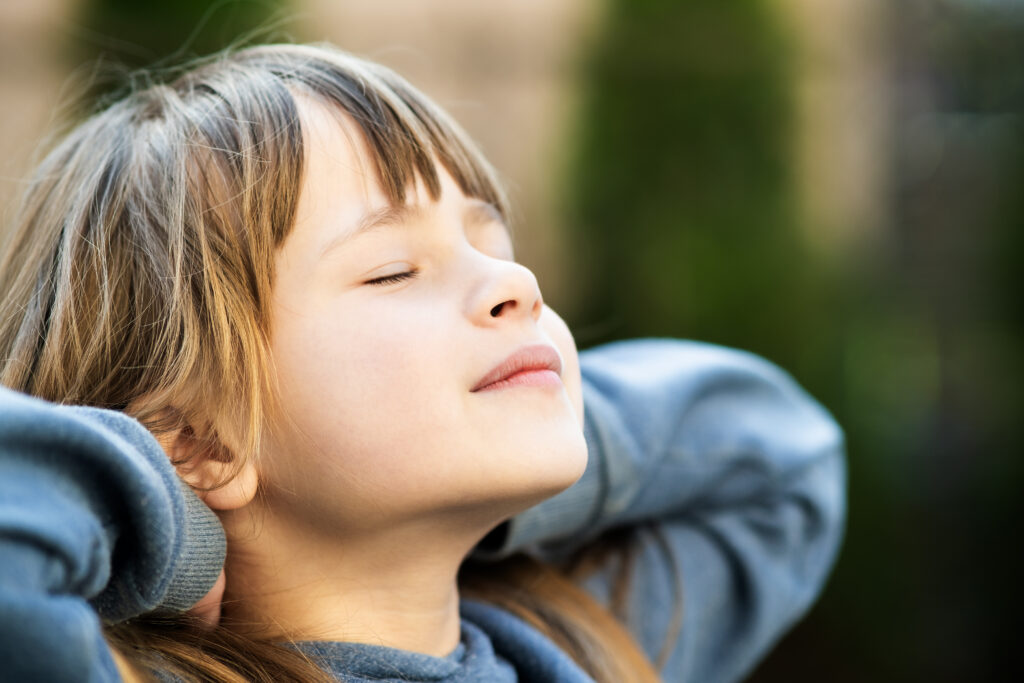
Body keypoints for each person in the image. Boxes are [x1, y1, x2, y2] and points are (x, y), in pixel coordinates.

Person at [0, 43, 846, 683]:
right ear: (196, 435)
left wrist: (524, 446)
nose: (514, 283)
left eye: (493, 243)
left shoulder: (584, 640)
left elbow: (782, 459)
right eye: (394, 270)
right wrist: (171, 511)